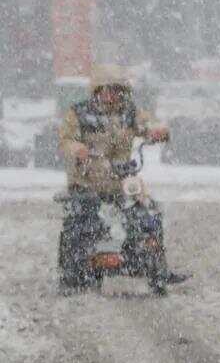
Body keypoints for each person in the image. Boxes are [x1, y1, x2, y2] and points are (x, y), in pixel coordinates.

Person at [57, 64, 188, 293]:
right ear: (96, 90)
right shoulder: (78, 113)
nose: (111, 94)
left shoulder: (129, 112)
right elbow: (66, 140)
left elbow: (146, 123)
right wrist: (79, 150)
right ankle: (72, 273)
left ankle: (157, 266)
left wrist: (156, 130)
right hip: (87, 182)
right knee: (81, 221)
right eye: (106, 89)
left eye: (116, 89)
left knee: (148, 213)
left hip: (121, 182)